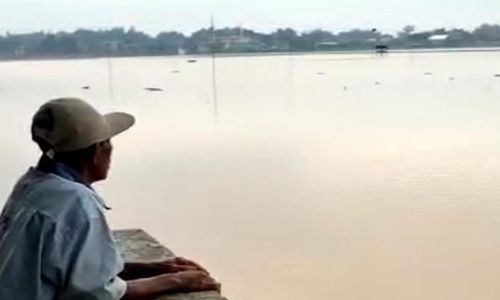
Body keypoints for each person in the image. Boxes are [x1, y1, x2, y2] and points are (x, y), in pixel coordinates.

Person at [0, 98, 220, 300]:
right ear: (97, 151)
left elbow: (70, 265)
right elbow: (99, 294)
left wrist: (156, 268)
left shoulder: (32, 184)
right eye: (108, 143)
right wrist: (176, 280)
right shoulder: (76, 201)